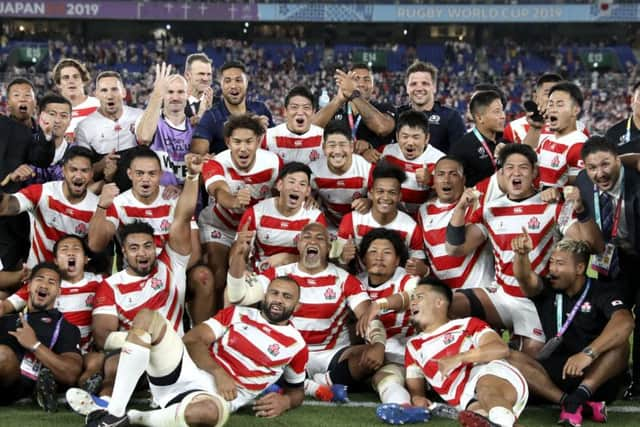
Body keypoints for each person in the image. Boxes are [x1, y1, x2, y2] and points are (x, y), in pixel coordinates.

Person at [83, 277, 307, 427]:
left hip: (216, 398)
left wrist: (286, 402)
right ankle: (114, 412)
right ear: (265, 296)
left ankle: (131, 418)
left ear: (297, 306)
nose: (278, 299)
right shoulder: (237, 313)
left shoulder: (297, 345)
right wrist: (218, 372)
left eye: (286, 297)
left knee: (208, 413)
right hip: (187, 371)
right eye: (274, 293)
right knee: (147, 317)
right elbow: (192, 340)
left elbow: (296, 389)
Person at [445, 143, 604, 356]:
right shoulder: (491, 209)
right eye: (510, 167)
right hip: (500, 295)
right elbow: (456, 248)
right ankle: (474, 350)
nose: (516, 173)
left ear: (534, 172)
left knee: (531, 360)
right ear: (501, 174)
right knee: (448, 304)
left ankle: (510, 351)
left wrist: (578, 207)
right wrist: (461, 207)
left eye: (523, 167)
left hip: (535, 299)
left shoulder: (552, 206)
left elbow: (589, 246)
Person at [83, 153, 201, 403]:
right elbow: (103, 336)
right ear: (123, 251)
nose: (143, 253)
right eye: (134, 248)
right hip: (133, 352)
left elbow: (182, 216)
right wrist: (141, 342)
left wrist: (192, 177)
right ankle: (102, 408)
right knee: (112, 366)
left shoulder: (171, 264)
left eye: (148, 246)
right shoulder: (111, 285)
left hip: (171, 353)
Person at [227, 222, 381, 403]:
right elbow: (239, 297)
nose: (313, 241)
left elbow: (369, 316)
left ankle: (315, 382)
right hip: (288, 351)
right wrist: (238, 256)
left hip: (331, 353)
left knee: (369, 355)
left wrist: (378, 345)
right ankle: (312, 387)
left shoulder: (345, 279)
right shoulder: (277, 275)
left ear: (329, 247)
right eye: (307, 237)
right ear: (298, 244)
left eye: (320, 238)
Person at [509, 238, 633, 426]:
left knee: (621, 346)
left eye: (560, 264)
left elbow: (625, 321)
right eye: (551, 262)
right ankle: (571, 402)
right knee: (509, 357)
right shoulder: (547, 289)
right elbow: (524, 277)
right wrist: (521, 255)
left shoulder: (601, 291)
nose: (552, 269)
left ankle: (582, 394)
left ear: (579, 268)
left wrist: (588, 354)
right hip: (554, 376)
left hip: (595, 375)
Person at [376, 277, 528, 427]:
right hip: (466, 400)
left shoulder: (466, 324)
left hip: (493, 375)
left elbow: (500, 348)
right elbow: (416, 390)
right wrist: (418, 398)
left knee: (485, 388)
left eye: (420, 297)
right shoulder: (413, 346)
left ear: (439, 303)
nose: (413, 302)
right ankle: (501, 422)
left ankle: (500, 420)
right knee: (480, 416)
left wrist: (459, 358)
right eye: (412, 299)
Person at [573, 136, 640, 400]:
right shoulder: (582, 181)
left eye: (605, 164)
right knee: (610, 315)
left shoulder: (636, 182)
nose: (599, 173)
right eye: (592, 167)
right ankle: (616, 373)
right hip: (612, 260)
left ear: (617, 160)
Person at [2, 235, 104, 392]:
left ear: (86, 259)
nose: (70, 253)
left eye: (76, 249)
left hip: (77, 349)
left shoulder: (101, 282)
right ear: (55, 260)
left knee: (95, 359)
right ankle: (47, 383)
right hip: (44, 347)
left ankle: (83, 390)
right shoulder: (35, 289)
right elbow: (5, 306)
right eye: (65, 250)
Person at [199, 114, 281, 308]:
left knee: (253, 279)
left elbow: (282, 192)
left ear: (259, 141)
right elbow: (218, 191)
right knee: (219, 274)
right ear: (228, 142)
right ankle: (217, 324)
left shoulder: (273, 162)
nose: (243, 148)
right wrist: (234, 201)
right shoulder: (216, 162)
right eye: (237, 142)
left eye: (248, 142)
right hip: (220, 224)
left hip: (254, 229)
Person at [0, 263, 82, 411]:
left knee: (3, 355)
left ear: (59, 291)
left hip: (20, 386)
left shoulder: (66, 328)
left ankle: (41, 391)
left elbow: (71, 373)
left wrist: (35, 345)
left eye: (52, 282)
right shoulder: (7, 320)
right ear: (29, 286)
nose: (45, 284)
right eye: (40, 279)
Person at [0, 146, 98, 267]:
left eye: (84, 171)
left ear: (91, 173)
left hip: (70, 278)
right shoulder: (42, 192)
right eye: (73, 169)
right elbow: (6, 207)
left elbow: (96, 250)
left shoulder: (97, 208)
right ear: (63, 170)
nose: (78, 176)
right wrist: (8, 183)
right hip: (38, 275)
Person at [357, 228, 419, 406]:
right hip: (377, 355)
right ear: (363, 258)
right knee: (385, 379)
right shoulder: (355, 283)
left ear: (398, 260)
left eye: (387, 253)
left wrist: (379, 304)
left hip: (410, 351)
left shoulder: (408, 279)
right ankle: (403, 408)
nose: (379, 257)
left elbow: (414, 295)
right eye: (373, 252)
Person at [336, 161, 426, 276]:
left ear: (399, 196)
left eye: (392, 192)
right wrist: (343, 259)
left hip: (396, 287)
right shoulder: (350, 220)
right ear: (370, 193)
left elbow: (417, 270)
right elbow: (336, 266)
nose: (385, 197)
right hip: (359, 284)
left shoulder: (411, 227)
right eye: (380, 191)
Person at [417, 157, 495, 290]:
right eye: (440, 174)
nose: (446, 180)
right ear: (433, 181)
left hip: (481, 292)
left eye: (453, 174)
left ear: (463, 180)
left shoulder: (478, 203)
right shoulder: (423, 211)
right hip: (445, 298)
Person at [235, 162, 326, 272]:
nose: (296, 188)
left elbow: (320, 259)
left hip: (299, 276)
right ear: (279, 185)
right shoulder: (256, 212)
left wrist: (287, 259)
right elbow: (237, 252)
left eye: (302, 184)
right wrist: (241, 267)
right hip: (262, 275)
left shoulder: (315, 217)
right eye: (291, 182)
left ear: (307, 191)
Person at [0, 101, 54, 273]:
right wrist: (7, 178)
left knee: (11, 278)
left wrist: (45, 135)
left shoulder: (16, 130)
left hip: (9, 220)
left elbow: (40, 160)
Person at [75, 70, 143, 190]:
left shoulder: (140, 117)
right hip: (105, 192)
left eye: (114, 89)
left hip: (141, 190)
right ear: (96, 94)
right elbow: (82, 170)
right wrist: (102, 164)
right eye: (104, 90)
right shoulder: (84, 127)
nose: (110, 95)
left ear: (123, 92)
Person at [313, 63, 395, 162]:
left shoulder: (384, 108)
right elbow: (311, 130)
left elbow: (382, 128)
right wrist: (339, 99)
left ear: (373, 86)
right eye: (356, 79)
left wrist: (369, 146)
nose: (361, 84)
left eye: (366, 80)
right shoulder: (335, 111)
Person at [192, 60, 274, 155]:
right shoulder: (211, 117)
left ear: (246, 83)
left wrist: (264, 134)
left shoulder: (260, 109)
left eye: (238, 80)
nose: (233, 85)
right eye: (227, 81)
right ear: (221, 85)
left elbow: (275, 144)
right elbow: (197, 154)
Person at [136, 62, 194, 187]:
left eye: (180, 92)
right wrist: (157, 94)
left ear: (188, 94)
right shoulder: (149, 119)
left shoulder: (196, 126)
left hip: (187, 198)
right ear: (163, 94)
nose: (175, 97)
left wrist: (181, 188)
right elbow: (144, 137)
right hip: (156, 197)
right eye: (170, 92)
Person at [310, 119, 373, 233]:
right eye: (332, 145)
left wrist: (370, 202)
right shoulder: (313, 171)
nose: (337, 151)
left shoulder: (367, 169)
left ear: (351, 146)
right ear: (324, 148)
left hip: (360, 226)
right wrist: (307, 198)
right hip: (328, 227)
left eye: (342, 145)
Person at [523, 81, 586, 188]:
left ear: (575, 110)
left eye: (559, 105)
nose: (553, 109)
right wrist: (535, 128)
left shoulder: (579, 145)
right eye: (551, 104)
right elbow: (529, 167)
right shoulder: (547, 140)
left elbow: (578, 192)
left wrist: (557, 193)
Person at [381, 110, 445, 215]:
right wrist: (367, 149)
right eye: (405, 136)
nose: (410, 143)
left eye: (416, 137)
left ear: (427, 138)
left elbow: (454, 192)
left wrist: (432, 180)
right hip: (391, 214)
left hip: (424, 218)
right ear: (397, 137)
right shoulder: (386, 152)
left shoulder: (440, 160)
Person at [396, 61, 465, 154]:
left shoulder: (451, 118)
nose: (419, 88)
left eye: (425, 83)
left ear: (434, 87)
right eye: (413, 84)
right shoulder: (397, 114)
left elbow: (459, 157)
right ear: (407, 88)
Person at [450, 90, 506, 187]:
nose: (503, 116)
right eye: (497, 111)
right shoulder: (461, 148)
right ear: (480, 118)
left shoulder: (506, 142)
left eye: (502, 110)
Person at [263, 86, 324, 164]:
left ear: (313, 112)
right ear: (285, 111)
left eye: (306, 107)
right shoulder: (268, 137)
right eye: (294, 107)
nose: (300, 112)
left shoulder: (324, 138)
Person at [503, 73, 563, 145]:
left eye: (559, 94)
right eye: (548, 93)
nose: (554, 99)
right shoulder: (514, 129)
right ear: (535, 97)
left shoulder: (577, 129)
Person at [28, 93, 74, 184]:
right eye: (52, 114)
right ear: (39, 116)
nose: (57, 120)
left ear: (70, 120)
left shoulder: (76, 152)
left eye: (63, 116)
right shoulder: (23, 147)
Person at [51, 57, 100, 139]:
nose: (71, 81)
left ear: (83, 81)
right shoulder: (51, 113)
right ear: (58, 84)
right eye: (66, 77)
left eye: (75, 77)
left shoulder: (98, 106)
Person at [183, 53, 214, 124]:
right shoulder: (174, 102)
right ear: (187, 75)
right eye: (201, 74)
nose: (205, 78)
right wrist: (201, 115)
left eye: (209, 74)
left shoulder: (218, 105)